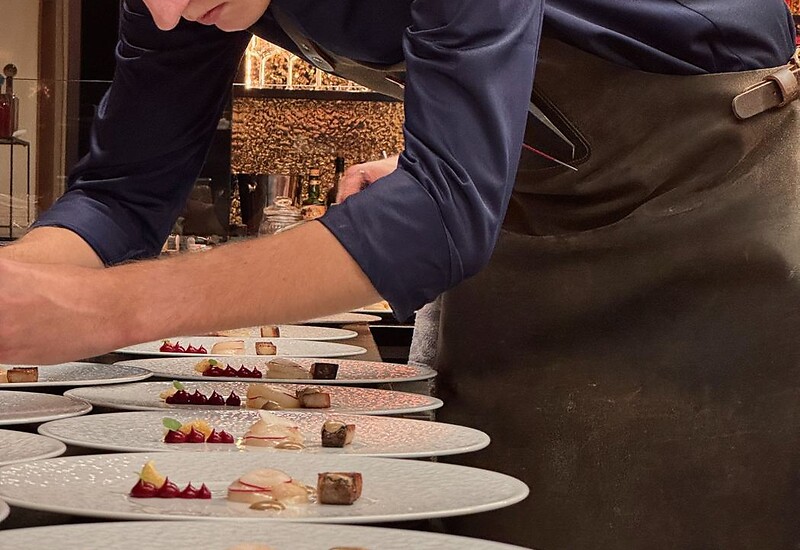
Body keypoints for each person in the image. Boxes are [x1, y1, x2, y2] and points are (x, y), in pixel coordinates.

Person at [0, 1, 798, 548]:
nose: (166, 12)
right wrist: (21, 285)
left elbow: (439, 218)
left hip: (713, 195)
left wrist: (104, 309)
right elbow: (121, 191)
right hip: (529, 207)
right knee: (487, 505)